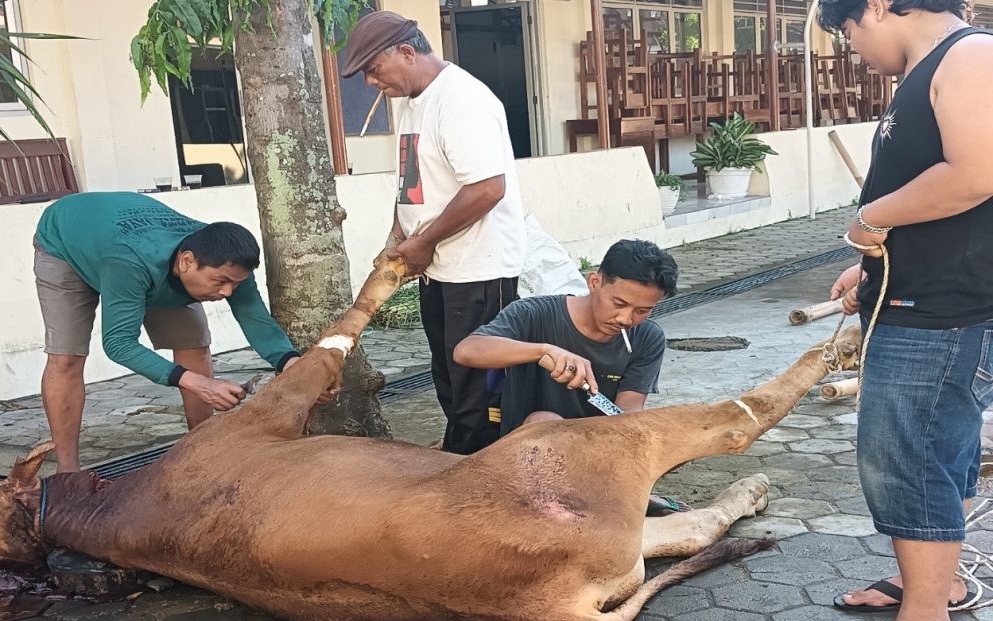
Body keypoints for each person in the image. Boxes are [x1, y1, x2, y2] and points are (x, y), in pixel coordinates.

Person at [819, 1, 993, 621]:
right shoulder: (936, 67)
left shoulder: (970, 56)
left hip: (942, 313)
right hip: (924, 298)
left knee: (907, 458)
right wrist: (868, 268)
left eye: (848, 32)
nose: (855, 51)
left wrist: (870, 220)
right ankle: (936, 587)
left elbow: (975, 174)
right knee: (941, 450)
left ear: (874, 5)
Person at [341, 11, 526, 455]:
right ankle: (459, 458)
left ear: (407, 52)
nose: (370, 82)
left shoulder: (462, 100)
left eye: (374, 69)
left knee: (479, 389)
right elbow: (412, 183)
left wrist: (423, 242)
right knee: (448, 375)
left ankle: (481, 467)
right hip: (439, 267)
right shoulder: (412, 101)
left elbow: (487, 188)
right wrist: (398, 237)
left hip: (478, 268)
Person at [34, 192, 303, 473]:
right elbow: (118, 343)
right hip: (65, 243)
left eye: (234, 284)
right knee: (66, 357)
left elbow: (255, 318)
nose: (227, 292)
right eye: (220, 282)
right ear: (187, 261)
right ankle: (67, 470)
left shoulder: (229, 261)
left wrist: (290, 362)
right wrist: (196, 383)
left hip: (129, 245)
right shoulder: (129, 261)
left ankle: (203, 450)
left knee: (193, 345)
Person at [453, 240, 686, 515]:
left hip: (598, 450)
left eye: (642, 311)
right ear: (594, 282)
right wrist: (543, 351)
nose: (625, 318)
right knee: (546, 422)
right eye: (618, 303)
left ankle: (615, 493)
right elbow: (466, 351)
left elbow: (629, 409)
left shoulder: (647, 337)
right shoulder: (533, 314)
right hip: (530, 449)